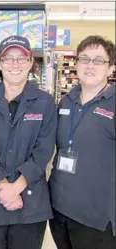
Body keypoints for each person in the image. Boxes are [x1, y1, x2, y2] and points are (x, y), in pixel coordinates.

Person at [0, 35, 57, 249]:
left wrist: (17, 187)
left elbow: (43, 151)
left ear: (30, 63)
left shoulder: (45, 102)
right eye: (9, 59)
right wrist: (4, 188)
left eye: (21, 58)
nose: (15, 64)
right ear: (0, 63)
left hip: (30, 204)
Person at [49, 35, 116, 249]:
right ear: (76, 64)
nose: (90, 65)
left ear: (111, 68)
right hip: (59, 210)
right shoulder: (66, 100)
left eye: (98, 60)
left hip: (96, 218)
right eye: (84, 59)